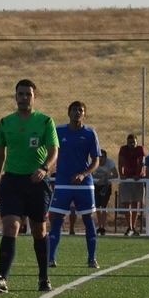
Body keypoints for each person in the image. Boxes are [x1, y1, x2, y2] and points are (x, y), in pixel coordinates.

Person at [0, 79, 59, 294]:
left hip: (37, 183)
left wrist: (45, 168)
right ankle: (3, 278)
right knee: (11, 226)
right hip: (12, 182)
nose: (24, 98)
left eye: (28, 94)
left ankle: (43, 277)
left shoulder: (45, 122)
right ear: (15, 96)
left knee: (39, 230)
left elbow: (53, 151)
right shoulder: (5, 123)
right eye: (21, 94)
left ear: (34, 97)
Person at [47, 102, 101, 269]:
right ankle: (51, 259)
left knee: (88, 220)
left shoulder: (90, 133)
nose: (77, 113)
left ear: (84, 114)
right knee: (57, 220)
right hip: (63, 184)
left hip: (84, 185)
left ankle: (92, 259)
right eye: (74, 110)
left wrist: (83, 174)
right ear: (68, 113)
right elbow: (50, 152)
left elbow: (96, 161)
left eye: (80, 110)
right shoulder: (58, 131)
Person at [118, 134, 145, 236]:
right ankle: (129, 227)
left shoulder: (140, 149)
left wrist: (137, 175)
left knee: (135, 203)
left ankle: (133, 227)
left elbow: (141, 162)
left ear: (136, 142)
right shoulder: (123, 149)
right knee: (126, 203)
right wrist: (121, 174)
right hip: (127, 178)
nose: (132, 144)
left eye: (133, 142)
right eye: (129, 142)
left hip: (137, 179)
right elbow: (120, 161)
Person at [92, 149, 118, 235]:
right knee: (97, 206)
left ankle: (103, 226)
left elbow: (115, 175)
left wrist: (105, 178)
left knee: (103, 206)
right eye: (99, 156)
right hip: (96, 185)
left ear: (105, 157)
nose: (100, 159)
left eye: (102, 157)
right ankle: (99, 226)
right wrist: (98, 176)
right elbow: (90, 174)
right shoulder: (94, 162)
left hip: (106, 186)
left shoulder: (110, 162)